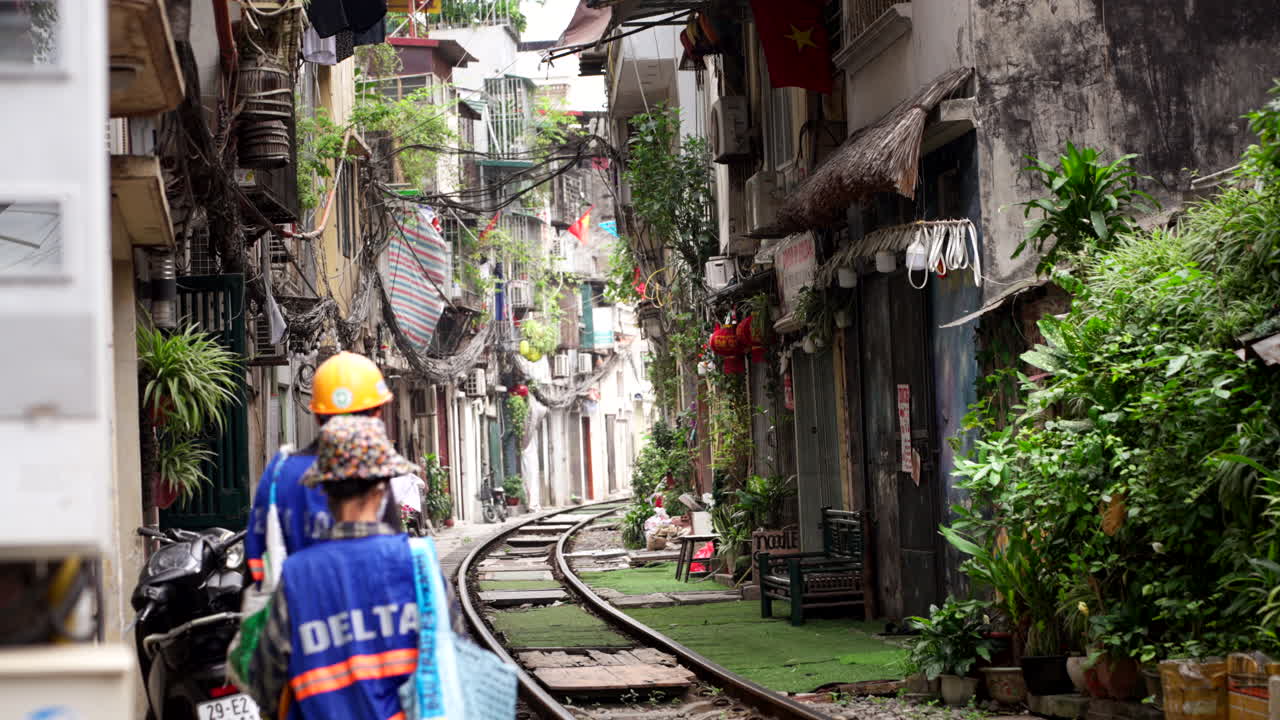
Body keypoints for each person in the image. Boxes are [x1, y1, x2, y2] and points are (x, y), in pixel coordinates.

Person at [248, 416, 462, 719]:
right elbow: (456, 659)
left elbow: (265, 678)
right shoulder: (419, 564)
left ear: (325, 491)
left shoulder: (298, 575)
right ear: (381, 489)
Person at [244, 351, 395, 584]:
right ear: (376, 414)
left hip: (296, 611)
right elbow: (391, 560)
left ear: (317, 416)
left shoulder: (278, 475)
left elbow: (257, 568)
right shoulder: (374, 475)